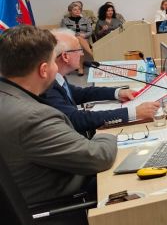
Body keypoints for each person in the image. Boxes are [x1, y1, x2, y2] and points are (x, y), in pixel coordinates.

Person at [0, 25, 117, 206]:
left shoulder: (8, 97)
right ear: (44, 70)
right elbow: (98, 157)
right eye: (53, 62)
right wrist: (110, 134)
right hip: (67, 205)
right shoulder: (34, 118)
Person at [41, 30, 160, 138]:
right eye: (79, 50)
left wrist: (117, 93)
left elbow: (80, 93)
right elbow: (76, 119)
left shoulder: (58, 77)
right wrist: (133, 112)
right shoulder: (47, 87)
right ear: (65, 56)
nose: (82, 54)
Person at [59, 1, 93, 74]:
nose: (78, 11)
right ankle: (91, 55)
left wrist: (84, 35)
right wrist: (74, 35)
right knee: (78, 39)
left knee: (80, 41)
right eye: (75, 9)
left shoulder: (86, 20)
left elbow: (90, 31)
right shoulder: (65, 20)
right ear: (70, 11)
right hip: (70, 40)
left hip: (84, 39)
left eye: (79, 9)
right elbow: (64, 32)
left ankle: (80, 67)